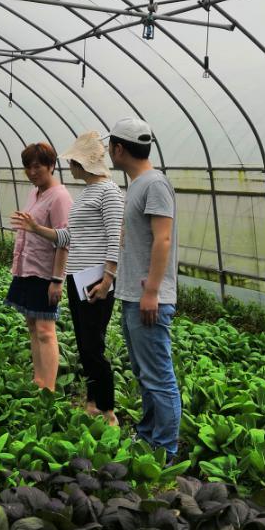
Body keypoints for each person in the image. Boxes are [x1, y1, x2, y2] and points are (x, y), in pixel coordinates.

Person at [11, 132, 123, 425]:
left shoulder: (110, 192)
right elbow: (68, 236)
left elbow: (115, 236)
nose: (69, 166)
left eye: (71, 161)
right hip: (78, 276)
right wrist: (36, 228)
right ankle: (92, 403)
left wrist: (109, 277)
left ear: (81, 162)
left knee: (94, 346)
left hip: (96, 279)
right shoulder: (86, 193)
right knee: (86, 345)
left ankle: (108, 411)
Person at [105, 117, 181, 458]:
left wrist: (152, 291)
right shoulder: (137, 185)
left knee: (159, 377)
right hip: (133, 296)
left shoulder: (154, 185)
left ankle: (165, 448)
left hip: (148, 298)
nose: (108, 152)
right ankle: (149, 435)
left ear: (119, 149)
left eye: (110, 147)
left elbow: (162, 239)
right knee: (144, 372)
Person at [5, 142, 72, 391]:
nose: (32, 172)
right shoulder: (35, 193)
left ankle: (49, 388)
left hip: (45, 272)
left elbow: (65, 239)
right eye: (27, 167)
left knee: (46, 329)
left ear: (51, 166)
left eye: (37, 167)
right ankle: (38, 379)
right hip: (27, 268)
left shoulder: (60, 197)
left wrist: (57, 280)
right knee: (32, 325)